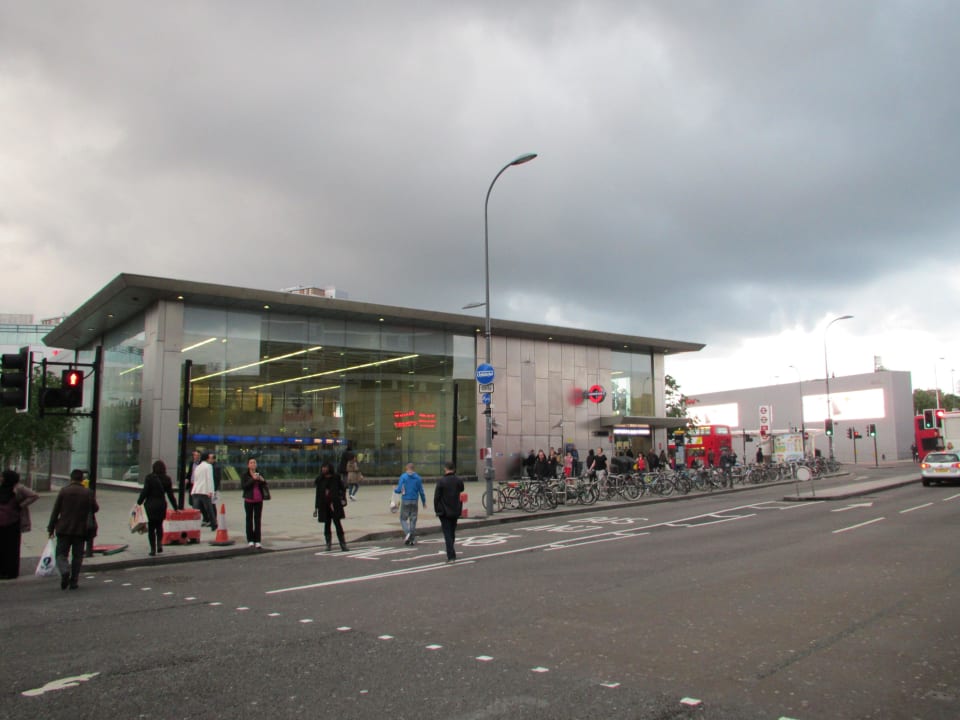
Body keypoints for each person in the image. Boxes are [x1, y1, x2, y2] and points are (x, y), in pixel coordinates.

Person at [47, 469, 99, 590]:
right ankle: (74, 581)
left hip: (64, 528)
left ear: (71, 478)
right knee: (77, 556)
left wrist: (51, 527)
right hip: (80, 529)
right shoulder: (88, 493)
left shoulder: (64, 491)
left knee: (60, 554)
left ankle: (64, 571)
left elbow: (56, 511)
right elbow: (95, 508)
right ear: (82, 479)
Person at [0, 469, 40, 579]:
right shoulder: (1, 488)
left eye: (3, 476)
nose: (1, 478)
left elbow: (34, 495)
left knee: (11, 548)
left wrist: (21, 505)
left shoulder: (18, 488)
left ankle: (11, 572)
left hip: (13, 522)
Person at [137, 460, 179, 556]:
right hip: (161, 505)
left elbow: (145, 492)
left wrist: (139, 503)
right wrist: (175, 507)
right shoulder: (167, 479)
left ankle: (152, 549)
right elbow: (170, 495)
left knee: (151, 528)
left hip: (150, 505)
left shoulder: (149, 478)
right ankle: (159, 543)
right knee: (159, 525)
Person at [434, 461, 463, 563]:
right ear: (454, 469)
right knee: (452, 531)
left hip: (444, 511)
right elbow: (462, 489)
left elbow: (436, 497)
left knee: (447, 533)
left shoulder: (441, 481)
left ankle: (451, 556)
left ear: (445, 469)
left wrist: (437, 510)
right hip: (455, 509)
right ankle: (451, 551)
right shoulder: (458, 480)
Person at [314, 461, 348, 552]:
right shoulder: (320, 479)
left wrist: (342, 499)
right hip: (324, 505)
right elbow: (318, 494)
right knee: (327, 524)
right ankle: (328, 544)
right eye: (323, 467)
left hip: (335, 504)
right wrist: (316, 507)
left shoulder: (336, 478)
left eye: (326, 467)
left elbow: (342, 489)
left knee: (337, 524)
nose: (324, 469)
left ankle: (343, 543)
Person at [394, 462, 426, 545]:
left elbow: (399, 490)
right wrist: (424, 502)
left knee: (403, 519)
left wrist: (394, 489)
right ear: (413, 468)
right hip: (414, 500)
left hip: (405, 500)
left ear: (407, 468)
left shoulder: (403, 477)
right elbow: (421, 491)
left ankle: (408, 533)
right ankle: (412, 539)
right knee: (413, 519)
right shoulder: (418, 478)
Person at [241, 458, 267, 548]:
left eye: (254, 462)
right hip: (249, 500)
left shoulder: (259, 473)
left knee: (257, 520)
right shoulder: (245, 475)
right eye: (251, 463)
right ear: (248, 465)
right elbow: (244, 486)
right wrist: (253, 479)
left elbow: (264, 485)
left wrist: (262, 480)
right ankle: (250, 540)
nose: (253, 464)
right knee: (249, 520)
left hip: (258, 500)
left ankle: (258, 540)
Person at [190, 452, 217, 531]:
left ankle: (193, 527)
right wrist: (211, 491)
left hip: (196, 490)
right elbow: (209, 479)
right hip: (204, 490)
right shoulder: (208, 466)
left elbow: (195, 478)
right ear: (207, 458)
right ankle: (213, 524)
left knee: (196, 510)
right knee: (209, 509)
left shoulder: (197, 467)